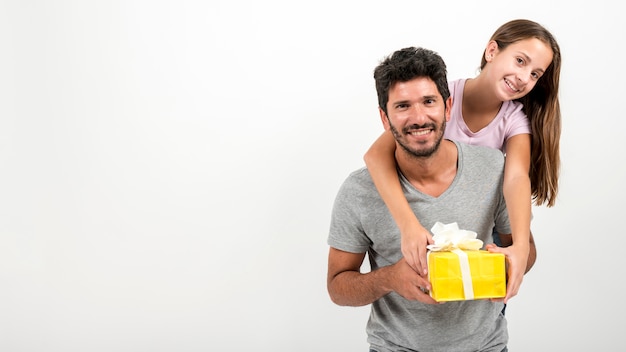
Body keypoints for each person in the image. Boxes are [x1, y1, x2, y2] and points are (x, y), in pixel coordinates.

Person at [327, 46, 536, 352]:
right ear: (385, 119)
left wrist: (509, 263)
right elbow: (337, 287)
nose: (419, 117)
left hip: (486, 347)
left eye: (428, 102)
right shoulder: (359, 191)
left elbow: (524, 248)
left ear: (448, 108)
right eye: (402, 106)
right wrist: (390, 279)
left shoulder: (492, 168)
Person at [363, 19, 561, 303]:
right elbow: (375, 155)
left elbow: (517, 177)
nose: (523, 77)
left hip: (475, 225)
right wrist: (407, 226)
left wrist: (520, 246)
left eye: (535, 74)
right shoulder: (439, 98)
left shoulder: (514, 120)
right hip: (427, 219)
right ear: (492, 51)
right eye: (520, 61)